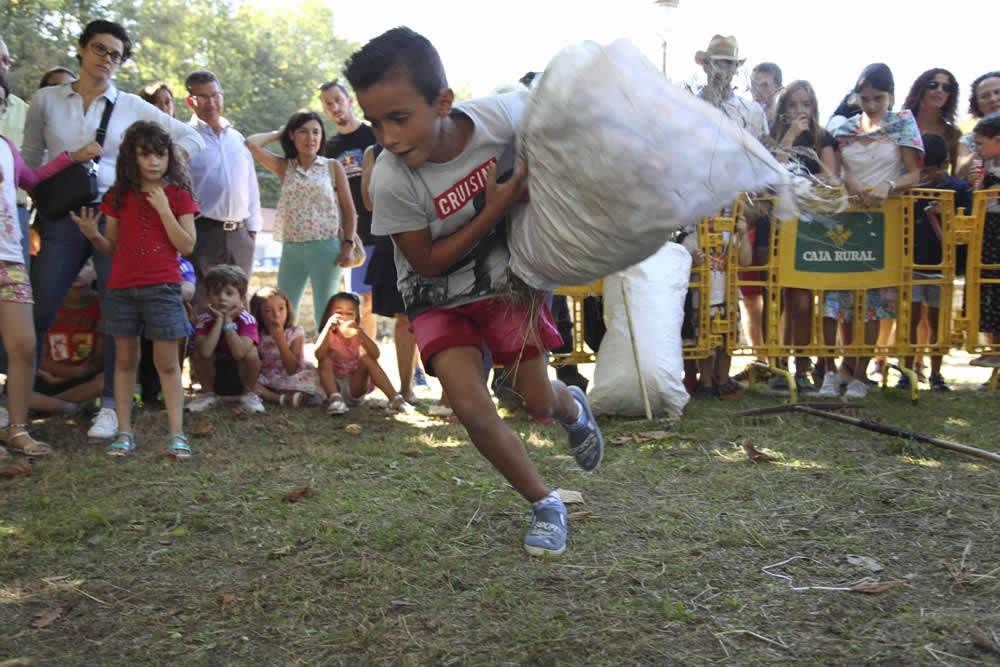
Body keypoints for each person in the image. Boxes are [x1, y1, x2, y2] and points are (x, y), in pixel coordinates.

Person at [344, 26, 604, 557]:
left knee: (533, 398)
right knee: (470, 406)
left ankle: (570, 407)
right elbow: (426, 260)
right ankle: (544, 502)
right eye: (374, 122)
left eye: (399, 118)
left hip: (504, 285)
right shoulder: (393, 178)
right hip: (433, 295)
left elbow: (560, 113)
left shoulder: (500, 115)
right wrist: (496, 208)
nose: (388, 137)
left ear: (443, 101)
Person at [20, 20, 205, 441]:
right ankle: (16, 401)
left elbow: (195, 140)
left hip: (118, 212)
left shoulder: (131, 106)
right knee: (40, 306)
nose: (107, 60)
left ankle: (109, 406)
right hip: (63, 216)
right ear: (82, 50)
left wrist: (155, 173)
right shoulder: (47, 100)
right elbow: (29, 164)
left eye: (116, 55)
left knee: (115, 312)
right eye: (101, 50)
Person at [71, 120, 198, 458]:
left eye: (160, 154)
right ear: (132, 157)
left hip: (163, 288)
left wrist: (163, 209)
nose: (154, 161)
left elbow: (186, 246)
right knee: (125, 362)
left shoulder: (179, 195)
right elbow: (111, 246)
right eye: (146, 154)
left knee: (168, 364)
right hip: (122, 289)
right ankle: (124, 431)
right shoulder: (117, 196)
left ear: (170, 157)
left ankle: (176, 434)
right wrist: (92, 235)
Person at [0, 78, 100, 457]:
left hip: (10, 258)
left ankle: (17, 429)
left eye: (0, 100)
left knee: (23, 345)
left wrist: (72, 158)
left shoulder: (6, 147)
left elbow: (33, 179)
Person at [820, 63, 923, 399]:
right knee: (834, 301)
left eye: (878, 98)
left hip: (883, 223)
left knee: (872, 303)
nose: (872, 105)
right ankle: (829, 375)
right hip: (844, 223)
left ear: (890, 95)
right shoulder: (845, 128)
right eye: (865, 98)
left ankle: (860, 376)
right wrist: (847, 182)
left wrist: (887, 186)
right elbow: (834, 172)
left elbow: (913, 175)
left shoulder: (903, 124)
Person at [246, 110, 356, 331]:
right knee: (285, 309)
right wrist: (279, 133)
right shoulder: (284, 167)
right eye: (303, 132)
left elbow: (349, 210)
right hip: (293, 248)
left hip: (326, 248)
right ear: (292, 136)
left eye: (316, 132)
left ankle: (326, 363)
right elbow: (251, 143)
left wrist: (348, 245)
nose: (311, 138)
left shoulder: (332, 167)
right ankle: (287, 362)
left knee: (325, 311)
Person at [768, 80, 841, 394]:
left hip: (812, 228)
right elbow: (771, 172)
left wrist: (804, 183)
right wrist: (790, 137)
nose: (800, 111)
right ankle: (777, 367)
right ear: (784, 109)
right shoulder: (774, 137)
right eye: (793, 105)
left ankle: (802, 367)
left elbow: (831, 177)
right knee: (782, 301)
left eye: (806, 104)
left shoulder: (824, 138)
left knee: (805, 303)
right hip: (778, 228)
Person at [184, 70, 261, 315]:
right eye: (203, 97)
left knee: (239, 305)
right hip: (203, 233)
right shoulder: (184, 139)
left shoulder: (237, 138)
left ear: (222, 96)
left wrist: (252, 231)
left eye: (215, 95)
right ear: (190, 101)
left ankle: (238, 353)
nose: (211, 103)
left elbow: (250, 186)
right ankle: (201, 354)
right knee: (203, 304)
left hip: (239, 235)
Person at [898, 133, 970, 391]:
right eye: (921, 169)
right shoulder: (908, 189)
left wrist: (947, 214)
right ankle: (907, 371)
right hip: (912, 264)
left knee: (939, 321)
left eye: (930, 170)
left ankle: (937, 373)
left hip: (944, 266)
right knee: (910, 318)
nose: (925, 175)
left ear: (945, 165)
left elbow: (967, 229)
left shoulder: (960, 190)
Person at [360, 143, 421, 403]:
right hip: (392, 238)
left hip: (430, 235)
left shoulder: (427, 141)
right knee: (405, 318)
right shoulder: (372, 152)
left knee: (432, 315)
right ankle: (406, 389)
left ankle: (448, 395)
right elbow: (369, 201)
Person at [321, 80, 378, 339]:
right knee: (364, 304)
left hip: (386, 229)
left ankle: (417, 371)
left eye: (338, 100)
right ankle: (365, 364)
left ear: (350, 101)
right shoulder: (328, 147)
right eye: (328, 103)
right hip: (356, 236)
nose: (335, 107)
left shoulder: (373, 135)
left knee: (404, 306)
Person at [314, 291, 412, 414]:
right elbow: (318, 355)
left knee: (367, 359)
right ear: (328, 315)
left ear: (356, 316)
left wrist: (361, 334)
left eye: (350, 313)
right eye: (338, 313)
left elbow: (376, 355)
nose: (344, 317)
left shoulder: (357, 334)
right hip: (331, 386)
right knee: (325, 360)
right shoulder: (326, 335)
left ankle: (396, 399)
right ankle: (336, 400)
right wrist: (328, 328)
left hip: (354, 385)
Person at [689, 216, 753, 399]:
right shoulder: (692, 239)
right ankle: (706, 383)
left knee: (728, 340)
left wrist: (743, 235)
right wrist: (693, 261)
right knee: (705, 343)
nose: (712, 217)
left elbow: (746, 261)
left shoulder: (731, 236)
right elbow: (683, 266)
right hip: (701, 298)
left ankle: (723, 381)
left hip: (729, 297)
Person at [187, 264, 264, 414]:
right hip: (215, 372)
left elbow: (239, 353)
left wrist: (228, 320)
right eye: (216, 293)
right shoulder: (204, 319)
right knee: (198, 351)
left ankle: (249, 394)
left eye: (229, 293)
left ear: (241, 299)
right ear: (208, 297)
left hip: (239, 373)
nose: (222, 298)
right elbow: (205, 352)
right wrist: (218, 321)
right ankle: (207, 394)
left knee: (251, 352)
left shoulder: (247, 320)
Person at [31, 260, 104, 413]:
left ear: (97, 273)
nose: (77, 269)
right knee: (15, 384)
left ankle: (47, 405)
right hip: (46, 375)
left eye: (85, 265)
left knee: (105, 382)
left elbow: (96, 363)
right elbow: (36, 355)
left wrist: (76, 374)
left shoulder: (103, 306)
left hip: (83, 380)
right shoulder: (46, 303)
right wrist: (67, 372)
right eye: (71, 263)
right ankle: (72, 407)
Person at [249, 285, 322, 406]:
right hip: (266, 375)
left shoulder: (295, 332)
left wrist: (280, 340)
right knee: (248, 382)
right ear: (259, 313)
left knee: (313, 379)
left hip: (291, 375)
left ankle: (278, 395)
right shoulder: (256, 333)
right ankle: (279, 398)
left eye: (281, 308)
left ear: (288, 309)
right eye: (268, 310)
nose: (276, 315)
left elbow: (292, 368)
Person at [969, 113, 1000, 371]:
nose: (976, 149)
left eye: (980, 143)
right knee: (988, 288)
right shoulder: (985, 168)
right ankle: (994, 348)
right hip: (988, 231)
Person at [0, 37, 32, 268]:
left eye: (5, 60)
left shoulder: (26, 111)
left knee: (14, 291)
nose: (2, 64)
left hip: (14, 217)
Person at [902, 69, 961, 176]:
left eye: (946, 88)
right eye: (933, 85)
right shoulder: (899, 125)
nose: (939, 90)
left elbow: (957, 177)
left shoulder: (954, 135)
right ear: (920, 88)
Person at [956, 72, 1000, 180]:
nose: (993, 99)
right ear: (977, 104)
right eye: (985, 96)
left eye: (998, 92)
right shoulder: (969, 140)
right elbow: (959, 174)